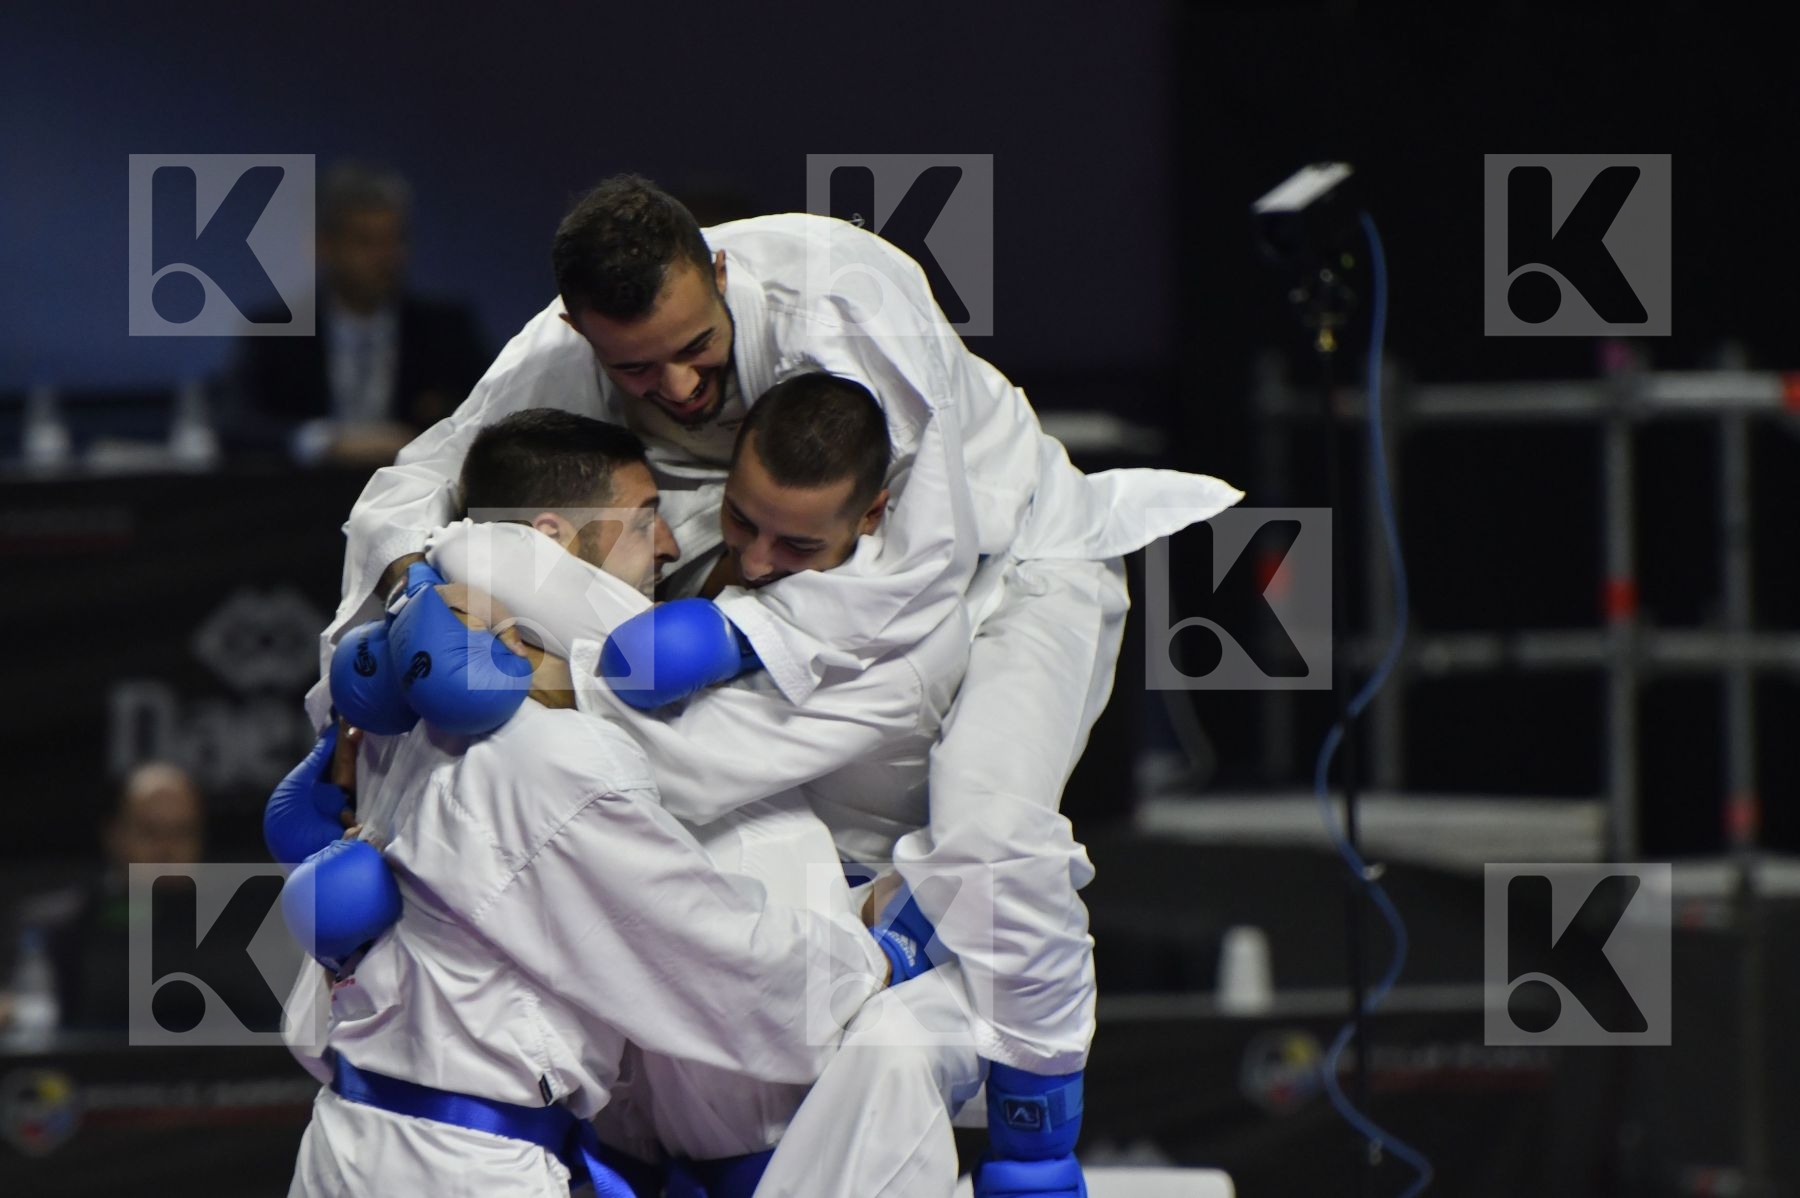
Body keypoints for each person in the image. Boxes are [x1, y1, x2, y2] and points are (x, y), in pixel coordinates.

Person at [315, 174, 1242, 1195]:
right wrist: (396, 611)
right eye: (636, 368)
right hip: (478, 1119)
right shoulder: (564, 379)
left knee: (989, 837)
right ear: (583, 335)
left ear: (720, 272)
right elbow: (419, 486)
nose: (673, 388)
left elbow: (921, 570)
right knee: (768, 863)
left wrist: (728, 633)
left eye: (695, 349)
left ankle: (1038, 1141)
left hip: (1018, 562)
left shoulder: (851, 305)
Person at [280, 410, 911, 1197]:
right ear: (549, 539)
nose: (675, 545)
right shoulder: (553, 751)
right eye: (646, 519)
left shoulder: (397, 716)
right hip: (467, 1170)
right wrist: (879, 951)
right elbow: (713, 967)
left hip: (342, 1144)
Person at [224, 161, 489, 466]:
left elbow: (490, 412)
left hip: (423, 497)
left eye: (395, 240)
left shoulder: (446, 330)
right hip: (302, 501)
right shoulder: (276, 329)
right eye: (365, 242)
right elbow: (236, 424)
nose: (385, 257)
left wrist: (417, 439)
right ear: (325, 247)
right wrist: (325, 441)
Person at [3, 763, 205, 1035]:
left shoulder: (238, 923)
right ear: (115, 834)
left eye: (182, 832)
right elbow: (35, 1007)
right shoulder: (59, 924)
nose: (167, 849)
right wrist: (16, 1012)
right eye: (150, 831)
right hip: (92, 1073)